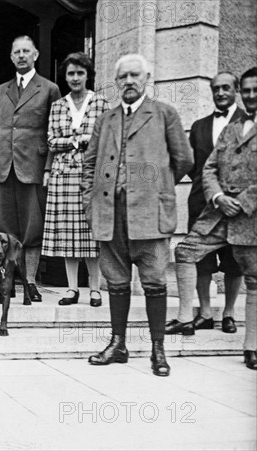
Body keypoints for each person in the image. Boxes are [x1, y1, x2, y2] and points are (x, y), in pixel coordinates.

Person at [81, 54, 193, 377]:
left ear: (147, 79)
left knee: (155, 282)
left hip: (150, 216)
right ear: (115, 83)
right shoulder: (106, 120)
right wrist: (91, 204)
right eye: (122, 77)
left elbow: (184, 159)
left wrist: (158, 186)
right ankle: (118, 344)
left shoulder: (163, 114)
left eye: (135, 76)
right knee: (115, 281)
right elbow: (91, 164)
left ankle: (158, 349)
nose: (128, 82)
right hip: (109, 213)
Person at [174, 67, 257, 370]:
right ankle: (191, 317)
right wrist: (219, 197)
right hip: (213, 210)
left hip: (249, 216)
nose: (249, 96)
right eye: (246, 91)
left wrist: (242, 202)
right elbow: (206, 167)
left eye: (252, 90)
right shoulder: (218, 127)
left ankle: (248, 341)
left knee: (249, 275)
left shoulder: (241, 120)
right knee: (187, 253)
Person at [166, 72, 246, 335]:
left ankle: (230, 313)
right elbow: (189, 163)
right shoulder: (199, 126)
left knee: (235, 261)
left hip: (237, 207)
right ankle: (205, 312)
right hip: (203, 203)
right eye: (216, 89)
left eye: (226, 88)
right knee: (200, 260)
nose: (221, 93)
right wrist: (207, 188)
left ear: (236, 90)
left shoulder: (249, 123)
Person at [0, 36, 61, 302]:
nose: (21, 56)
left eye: (26, 51)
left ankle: (30, 282)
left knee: (32, 228)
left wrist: (49, 167)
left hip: (34, 167)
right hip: (5, 168)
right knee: (5, 230)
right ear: (11, 57)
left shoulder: (49, 89)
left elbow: (56, 131)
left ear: (36, 54)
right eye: (16, 52)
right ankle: (7, 282)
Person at [42, 52, 109, 308]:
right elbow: (50, 140)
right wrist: (73, 141)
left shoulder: (100, 103)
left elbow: (105, 138)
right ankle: (72, 289)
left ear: (87, 75)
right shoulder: (58, 105)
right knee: (69, 236)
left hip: (91, 175)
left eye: (80, 73)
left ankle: (94, 289)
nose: (75, 78)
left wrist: (87, 143)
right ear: (65, 76)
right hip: (63, 175)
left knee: (91, 235)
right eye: (71, 73)